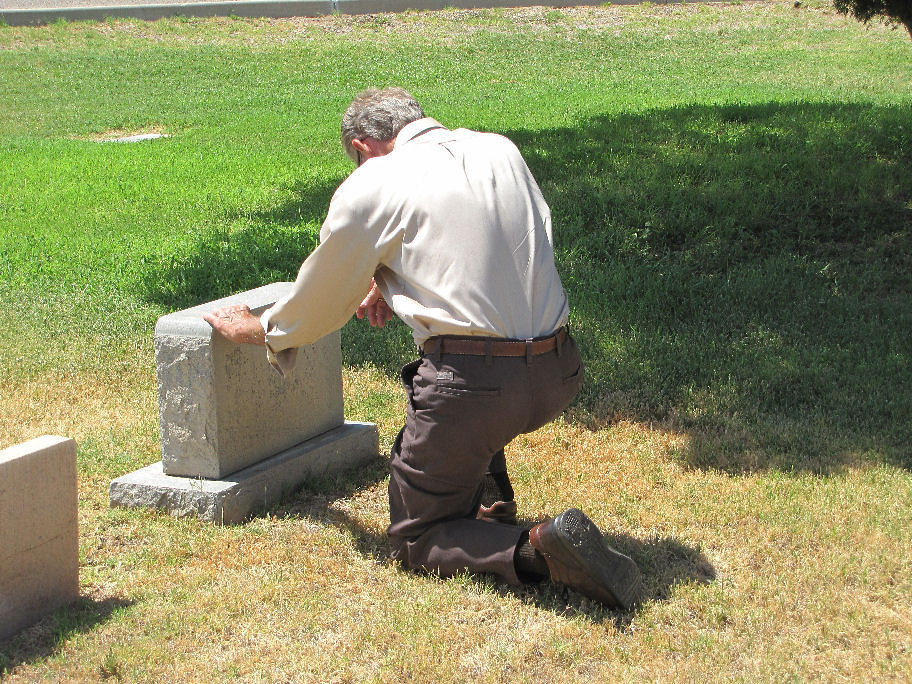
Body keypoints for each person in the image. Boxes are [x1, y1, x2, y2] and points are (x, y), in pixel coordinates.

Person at [204, 87, 641, 608]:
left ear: (362, 146)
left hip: (476, 392)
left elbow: (319, 302)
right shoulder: (498, 148)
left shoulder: (375, 181)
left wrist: (255, 329)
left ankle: (542, 549)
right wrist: (391, 280)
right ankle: (489, 498)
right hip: (559, 370)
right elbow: (485, 252)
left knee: (416, 538)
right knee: (439, 375)